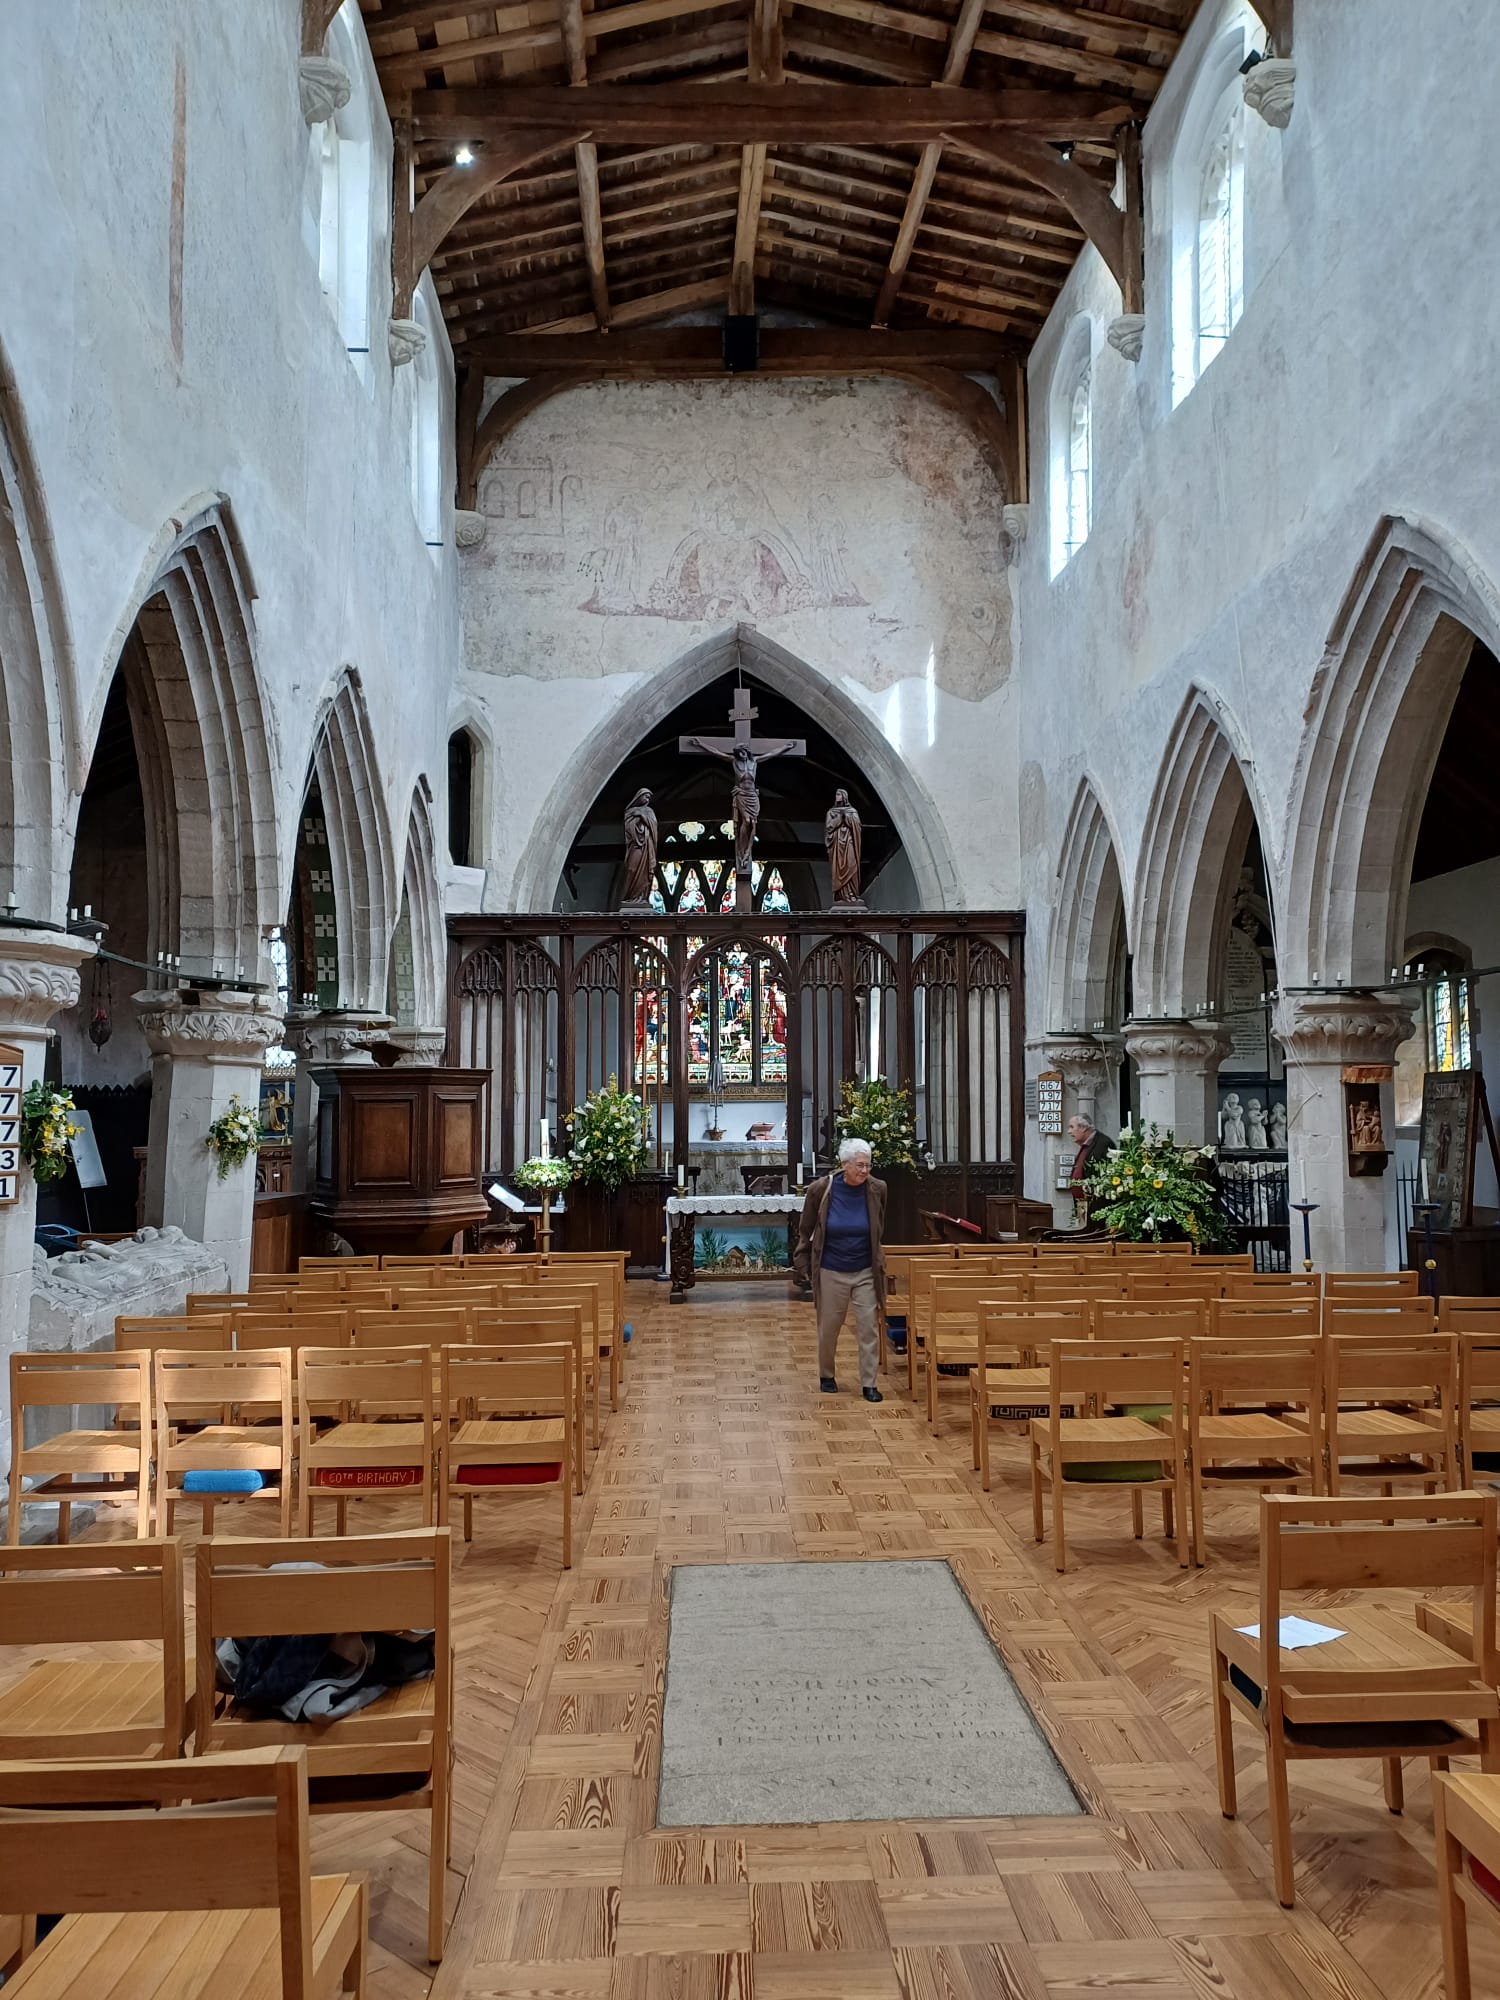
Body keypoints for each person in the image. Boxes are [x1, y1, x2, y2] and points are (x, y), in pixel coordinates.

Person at [794, 1137, 887, 1404]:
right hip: (831, 1268)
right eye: (859, 1165)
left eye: (868, 1165)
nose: (865, 1171)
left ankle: (869, 1383)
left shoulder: (878, 1189)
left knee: (869, 1328)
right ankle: (827, 1375)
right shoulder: (821, 1189)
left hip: (865, 1270)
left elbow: (880, 1224)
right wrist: (802, 1260)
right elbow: (806, 1228)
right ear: (844, 1164)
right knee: (829, 1328)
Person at [1065, 1114, 1112, 1205]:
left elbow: (1104, 1177)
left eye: (1071, 1127)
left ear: (1083, 1128)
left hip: (1095, 1206)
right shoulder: (1086, 1145)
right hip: (1082, 1205)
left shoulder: (1103, 1144)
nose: (1069, 1131)